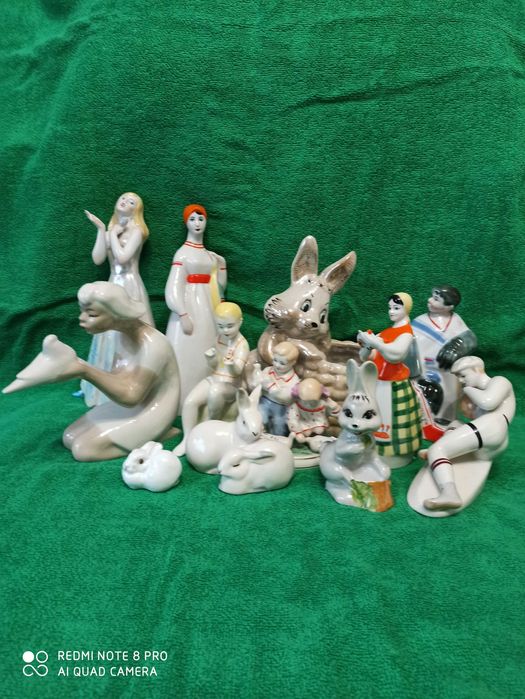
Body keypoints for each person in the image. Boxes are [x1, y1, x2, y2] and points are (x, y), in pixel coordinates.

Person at [4, 282, 180, 462]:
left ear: (118, 313)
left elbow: (131, 396)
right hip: (130, 406)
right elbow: (118, 378)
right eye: (82, 311)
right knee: (69, 437)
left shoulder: (154, 346)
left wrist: (84, 370)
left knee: (83, 450)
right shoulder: (121, 335)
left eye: (92, 314)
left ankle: (159, 432)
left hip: (154, 408)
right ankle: (140, 434)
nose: (81, 318)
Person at [82, 192, 154, 406]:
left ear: (136, 210)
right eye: (123, 198)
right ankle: (104, 386)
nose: (125, 202)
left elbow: (123, 258)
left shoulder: (137, 231)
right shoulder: (111, 230)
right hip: (113, 283)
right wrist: (101, 230)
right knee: (108, 332)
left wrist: (113, 234)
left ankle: (135, 383)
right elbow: (98, 259)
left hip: (129, 286)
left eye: (131, 202)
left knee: (131, 333)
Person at [423, 356, 515, 510]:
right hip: (491, 436)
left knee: (436, 449)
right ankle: (444, 453)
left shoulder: (499, 381)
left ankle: (450, 494)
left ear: (477, 370)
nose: (461, 380)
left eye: (463, 375)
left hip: (494, 425)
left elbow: (488, 401)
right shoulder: (480, 393)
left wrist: (467, 389)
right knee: (455, 424)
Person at [164, 204, 227, 410]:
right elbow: (173, 286)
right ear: (186, 223)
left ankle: (206, 399)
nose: (197, 223)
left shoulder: (209, 256)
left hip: (208, 307)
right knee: (186, 352)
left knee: (207, 349)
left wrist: (222, 265)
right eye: (192, 219)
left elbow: (218, 286)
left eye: (201, 219)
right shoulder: (182, 254)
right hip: (190, 306)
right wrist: (182, 313)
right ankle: (180, 400)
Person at [175, 302, 248, 456]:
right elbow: (214, 366)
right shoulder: (219, 338)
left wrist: (231, 364)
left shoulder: (242, 345)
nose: (225, 330)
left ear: (240, 322)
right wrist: (211, 358)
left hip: (231, 384)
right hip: (215, 378)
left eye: (229, 326)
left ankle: (208, 425)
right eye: (220, 326)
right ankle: (187, 438)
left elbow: (237, 371)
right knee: (190, 402)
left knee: (216, 392)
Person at [357, 293, 422, 468]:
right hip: (378, 382)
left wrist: (376, 343)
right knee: (378, 416)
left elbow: (396, 355)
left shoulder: (406, 334)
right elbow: (365, 357)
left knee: (393, 420)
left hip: (395, 385)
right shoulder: (386, 332)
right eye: (390, 308)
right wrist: (366, 344)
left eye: (396, 308)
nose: (391, 311)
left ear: (406, 309)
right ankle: (375, 450)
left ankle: (397, 455)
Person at [412, 285, 476, 424]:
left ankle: (445, 420)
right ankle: (424, 420)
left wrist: (457, 345)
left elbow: (470, 339)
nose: (430, 300)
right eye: (432, 297)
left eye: (436, 299)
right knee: (422, 396)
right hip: (422, 370)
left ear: (449, 306)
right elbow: (409, 341)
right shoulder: (420, 321)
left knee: (449, 396)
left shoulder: (456, 321)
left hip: (446, 371)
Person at [251, 341, 300, 436]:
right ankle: (261, 435)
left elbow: (287, 397)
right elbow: (257, 384)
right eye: (275, 360)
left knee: (279, 425)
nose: (277, 365)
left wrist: (270, 386)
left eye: (282, 363)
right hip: (264, 402)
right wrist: (256, 379)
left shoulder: (294, 379)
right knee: (260, 417)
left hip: (281, 407)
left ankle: (278, 438)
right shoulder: (268, 370)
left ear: (293, 363)